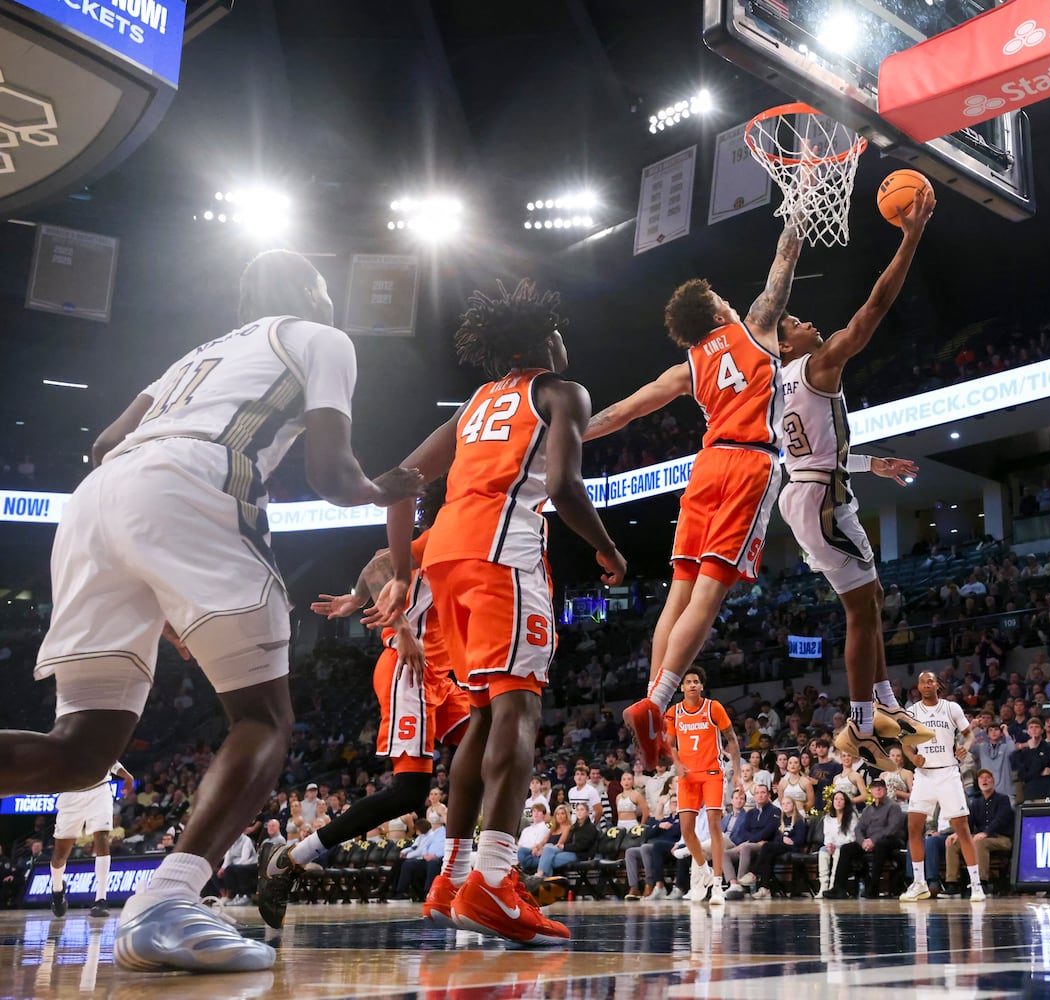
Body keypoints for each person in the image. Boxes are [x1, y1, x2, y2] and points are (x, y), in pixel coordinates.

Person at [0, 250, 421, 973]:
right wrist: (389, 487)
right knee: (264, 717)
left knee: (78, 750)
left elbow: (104, 445)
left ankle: (168, 900)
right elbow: (330, 474)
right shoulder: (322, 337)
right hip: (193, 483)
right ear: (313, 293)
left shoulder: (194, 357)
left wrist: (157, 579)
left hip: (96, 506)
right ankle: (166, 902)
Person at [373, 278, 626, 945]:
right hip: (501, 553)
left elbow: (399, 481)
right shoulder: (561, 391)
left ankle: (453, 878)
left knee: (482, 718)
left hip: (448, 559)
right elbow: (567, 486)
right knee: (518, 711)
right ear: (545, 337)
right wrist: (608, 550)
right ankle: (494, 883)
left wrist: (404, 571)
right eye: (560, 330)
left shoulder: (476, 403)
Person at [583, 218, 803, 769]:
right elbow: (784, 260)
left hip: (704, 468)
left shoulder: (687, 367)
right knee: (710, 593)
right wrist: (799, 210)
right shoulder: (757, 325)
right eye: (720, 296)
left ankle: (655, 714)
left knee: (678, 593)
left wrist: (564, 433)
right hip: (750, 462)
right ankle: (658, 702)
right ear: (717, 310)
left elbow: (622, 411)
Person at [260, 486, 472, 932]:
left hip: (438, 676)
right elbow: (379, 563)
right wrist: (400, 628)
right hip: (407, 667)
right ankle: (291, 859)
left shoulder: (466, 537)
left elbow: (375, 564)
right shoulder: (442, 533)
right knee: (410, 793)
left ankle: (469, 871)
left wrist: (357, 599)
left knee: (489, 751)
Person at [774, 186, 937, 766]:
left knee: (868, 602)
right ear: (786, 344)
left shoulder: (776, 387)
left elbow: (817, 450)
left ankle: (886, 704)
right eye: (794, 321)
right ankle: (863, 723)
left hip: (811, 490)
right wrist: (911, 238)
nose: (806, 321)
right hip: (821, 500)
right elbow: (873, 311)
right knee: (860, 609)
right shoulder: (816, 364)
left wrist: (873, 464)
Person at [899, 671, 986, 901]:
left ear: (937, 685)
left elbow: (969, 735)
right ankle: (919, 883)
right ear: (918, 686)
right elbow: (905, 744)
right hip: (924, 775)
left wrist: (965, 746)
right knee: (913, 827)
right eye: (923, 682)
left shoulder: (951, 708)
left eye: (931, 681)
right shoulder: (912, 712)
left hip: (948, 773)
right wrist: (912, 757)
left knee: (962, 829)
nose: (927, 685)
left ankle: (976, 885)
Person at [665, 666, 740, 904]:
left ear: (702, 686)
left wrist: (737, 772)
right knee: (686, 830)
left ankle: (718, 884)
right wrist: (676, 763)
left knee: (714, 825)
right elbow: (669, 744)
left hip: (712, 773)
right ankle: (704, 870)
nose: (693, 685)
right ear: (682, 687)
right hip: (687, 777)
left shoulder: (713, 707)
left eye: (696, 681)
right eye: (688, 681)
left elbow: (732, 738)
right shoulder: (674, 712)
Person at [50, 761, 133, 918]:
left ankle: (100, 899)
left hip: (99, 790)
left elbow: (108, 757)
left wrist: (125, 774)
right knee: (60, 853)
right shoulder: (63, 739)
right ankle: (57, 890)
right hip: (71, 794)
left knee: (102, 838)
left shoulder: (96, 738)